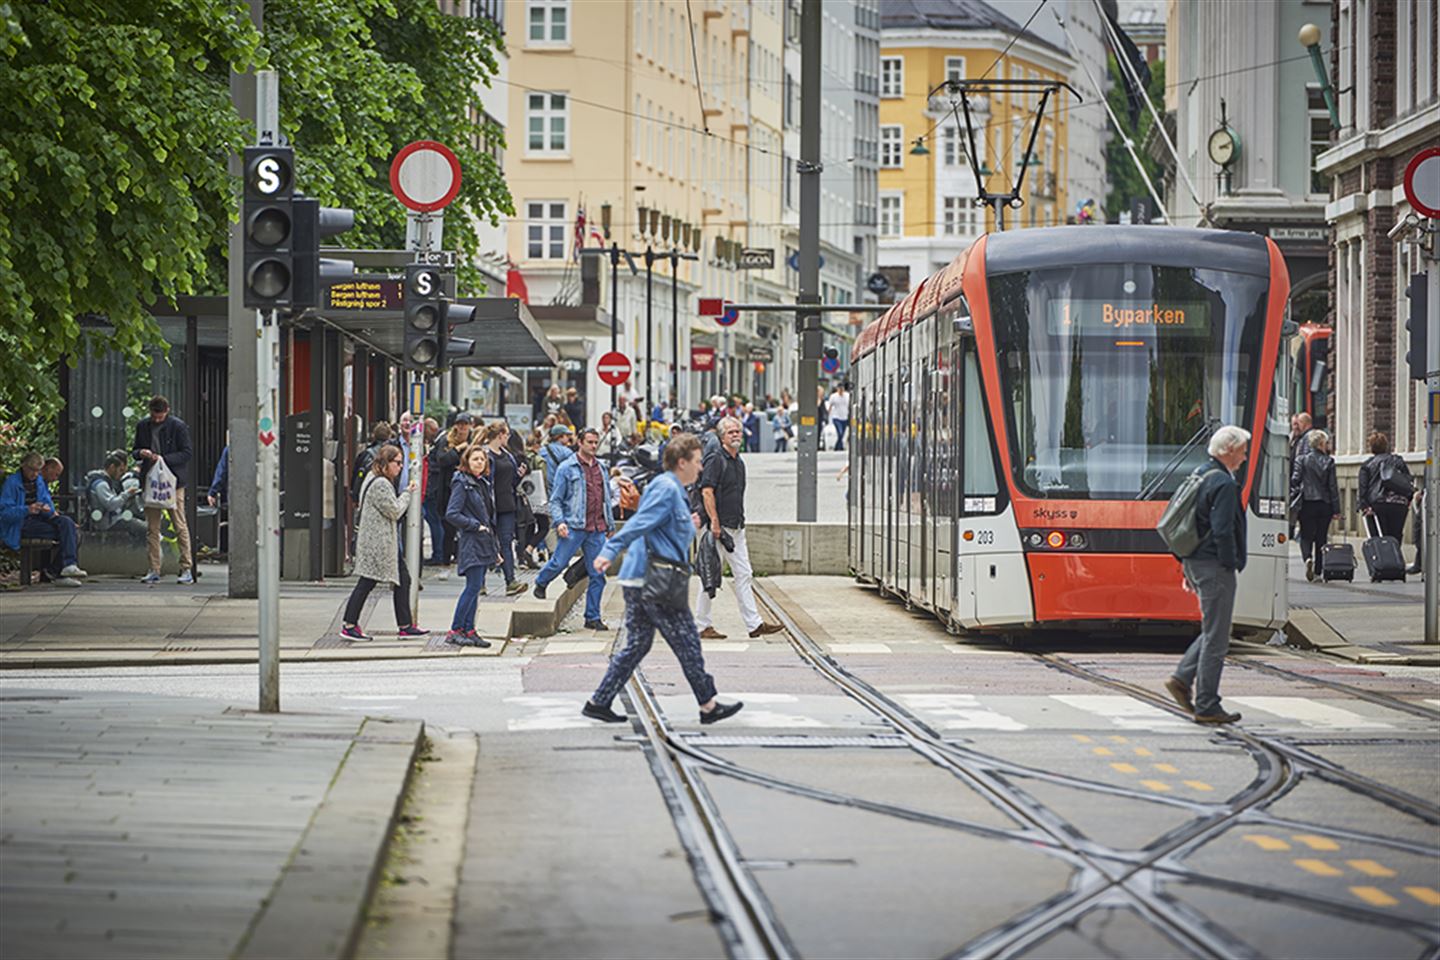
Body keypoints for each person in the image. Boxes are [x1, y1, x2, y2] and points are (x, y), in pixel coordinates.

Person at [581, 433, 745, 725]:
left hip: (645, 580)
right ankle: (708, 705)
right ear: (681, 462)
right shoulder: (667, 488)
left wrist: (689, 524)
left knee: (638, 645)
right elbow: (642, 522)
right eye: (696, 461)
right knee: (687, 640)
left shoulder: (673, 490)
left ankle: (599, 701)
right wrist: (610, 550)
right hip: (655, 580)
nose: (701, 467)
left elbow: (662, 527)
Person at [1163, 425, 1250, 725]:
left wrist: (1187, 561)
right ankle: (1207, 704)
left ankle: (1182, 679)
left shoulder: (1200, 473)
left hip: (1196, 561)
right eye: (1242, 450)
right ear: (1228, 451)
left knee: (1214, 629)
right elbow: (1223, 529)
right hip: (1214, 565)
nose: (1244, 456)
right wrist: (1232, 563)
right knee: (1217, 637)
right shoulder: (1224, 484)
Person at [694, 417, 785, 640]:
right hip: (718, 528)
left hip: (736, 528)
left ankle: (754, 625)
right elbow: (707, 491)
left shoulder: (739, 462)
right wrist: (714, 522)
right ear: (722, 436)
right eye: (731, 432)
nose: (736, 435)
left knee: (744, 574)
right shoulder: (716, 459)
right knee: (710, 576)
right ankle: (702, 625)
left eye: (738, 432)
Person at [341, 445, 428, 641]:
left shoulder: (376, 479)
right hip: (378, 543)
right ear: (386, 463)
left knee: (402, 580)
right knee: (367, 582)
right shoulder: (381, 483)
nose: (400, 467)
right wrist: (408, 493)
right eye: (397, 463)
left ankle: (405, 625)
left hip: (383, 541)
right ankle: (349, 624)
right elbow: (395, 510)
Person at [532, 427, 613, 631]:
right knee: (559, 562)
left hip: (596, 528)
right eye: (590, 442)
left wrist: (609, 525)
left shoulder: (601, 468)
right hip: (574, 525)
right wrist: (559, 522)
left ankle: (592, 617)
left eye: (596, 442)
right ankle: (541, 581)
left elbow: (606, 499)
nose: (594, 446)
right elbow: (556, 500)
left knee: (598, 575)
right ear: (580, 442)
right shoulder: (567, 467)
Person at [132, 395, 194, 585]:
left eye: (160, 416)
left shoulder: (178, 426)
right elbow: (134, 450)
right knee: (152, 527)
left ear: (167, 411)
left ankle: (186, 567)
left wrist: (163, 459)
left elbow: (186, 453)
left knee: (179, 524)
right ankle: (154, 568)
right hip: (151, 480)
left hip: (172, 481)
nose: (157, 419)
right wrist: (141, 453)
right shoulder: (143, 426)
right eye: (154, 416)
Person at [0, 451, 87, 586]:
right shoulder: (12, 483)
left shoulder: (39, 482)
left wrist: (49, 511)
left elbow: (48, 505)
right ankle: (56, 572)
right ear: (24, 466)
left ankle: (67, 567)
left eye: (37, 471)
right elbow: (5, 513)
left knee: (68, 524)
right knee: (71, 533)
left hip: (40, 518)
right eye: (32, 470)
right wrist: (27, 509)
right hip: (22, 522)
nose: (34, 474)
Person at [445, 444, 501, 647]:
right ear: (467, 461)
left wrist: (495, 548)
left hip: (483, 541)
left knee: (476, 587)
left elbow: (488, 516)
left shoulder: (481, 482)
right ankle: (456, 629)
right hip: (471, 541)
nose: (480, 462)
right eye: (475, 459)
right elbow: (452, 513)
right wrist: (474, 526)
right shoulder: (462, 482)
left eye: (482, 459)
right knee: (473, 586)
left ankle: (469, 630)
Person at [480, 421, 526, 596]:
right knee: (486, 542)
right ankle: (480, 583)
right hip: (489, 506)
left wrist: (518, 476)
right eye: (506, 435)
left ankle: (510, 581)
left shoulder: (507, 455)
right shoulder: (485, 454)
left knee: (506, 542)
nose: (508, 438)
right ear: (500, 435)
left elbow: (512, 481)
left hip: (507, 505)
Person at [1291, 429, 1340, 582]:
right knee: (1321, 537)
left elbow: (1295, 479)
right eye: (1326, 443)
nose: (1327, 445)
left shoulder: (1301, 459)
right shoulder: (1329, 461)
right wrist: (1336, 509)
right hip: (1324, 504)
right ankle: (1318, 572)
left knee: (1306, 535)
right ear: (1320, 444)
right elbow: (1333, 487)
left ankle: (1307, 558)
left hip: (1306, 503)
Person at [428, 415, 472, 564]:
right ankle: (446, 558)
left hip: (468, 488)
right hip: (448, 489)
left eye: (465, 424)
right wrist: (458, 449)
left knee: (465, 523)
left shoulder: (474, 441)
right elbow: (442, 460)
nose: (462, 428)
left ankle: (461, 556)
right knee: (449, 524)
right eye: (460, 424)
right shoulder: (446, 440)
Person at [1357, 431, 1414, 542]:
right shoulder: (1398, 461)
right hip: (1399, 504)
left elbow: (1362, 488)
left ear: (1372, 448)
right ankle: (1394, 557)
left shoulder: (1367, 465)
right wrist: (1408, 499)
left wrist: (1364, 506)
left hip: (1377, 505)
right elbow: (1407, 481)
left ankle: (1382, 559)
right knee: (1395, 537)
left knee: (1378, 539)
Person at [85, 450, 144, 534]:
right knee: (145, 530)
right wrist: (127, 494)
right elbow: (111, 505)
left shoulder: (108, 481)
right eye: (120, 470)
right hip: (107, 523)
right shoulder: (101, 484)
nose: (121, 474)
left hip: (114, 518)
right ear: (112, 467)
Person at [352, 422, 393, 501]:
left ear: (374, 435)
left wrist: (355, 496)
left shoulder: (365, 454)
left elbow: (356, 474)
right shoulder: (392, 454)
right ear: (389, 436)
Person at [828, 383, 851, 452]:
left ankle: (839, 446)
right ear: (837, 389)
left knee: (842, 433)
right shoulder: (833, 396)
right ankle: (837, 447)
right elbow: (830, 406)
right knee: (840, 432)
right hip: (836, 417)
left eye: (842, 389)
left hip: (845, 417)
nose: (841, 391)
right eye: (839, 389)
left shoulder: (847, 396)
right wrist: (828, 415)